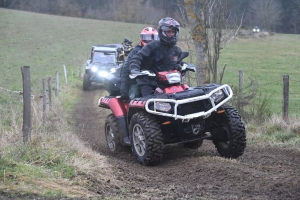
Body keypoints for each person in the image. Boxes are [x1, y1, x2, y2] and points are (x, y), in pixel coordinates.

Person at [129, 17, 183, 97]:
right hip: (149, 82)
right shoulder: (153, 46)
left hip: (168, 82)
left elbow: (177, 62)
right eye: (168, 32)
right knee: (149, 103)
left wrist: (181, 67)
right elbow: (137, 57)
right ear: (162, 32)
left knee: (181, 97)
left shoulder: (176, 50)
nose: (171, 34)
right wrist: (134, 68)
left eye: (173, 32)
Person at [119, 27, 158, 100]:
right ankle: (132, 111)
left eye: (153, 38)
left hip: (156, 81)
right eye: (147, 38)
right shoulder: (136, 51)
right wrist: (123, 90)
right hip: (137, 82)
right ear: (142, 38)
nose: (150, 41)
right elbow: (126, 69)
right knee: (134, 97)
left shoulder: (159, 51)